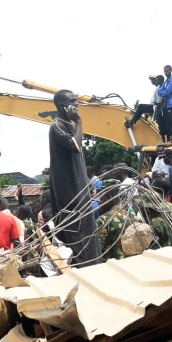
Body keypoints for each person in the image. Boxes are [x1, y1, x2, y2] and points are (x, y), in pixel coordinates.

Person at [46, 90, 101, 266]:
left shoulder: (70, 126)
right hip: (70, 192)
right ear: (62, 105)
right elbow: (75, 146)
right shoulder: (57, 127)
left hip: (80, 189)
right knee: (77, 234)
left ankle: (94, 264)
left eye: (77, 101)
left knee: (88, 232)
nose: (76, 105)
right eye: (72, 101)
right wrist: (78, 121)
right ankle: (84, 267)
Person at [156, 64, 172, 142]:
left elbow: (166, 92)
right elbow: (159, 91)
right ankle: (168, 141)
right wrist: (163, 92)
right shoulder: (166, 81)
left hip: (171, 104)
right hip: (165, 106)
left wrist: (162, 92)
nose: (166, 72)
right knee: (166, 124)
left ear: (170, 71)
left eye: (167, 71)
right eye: (164, 71)